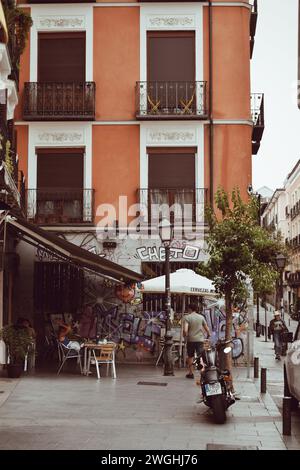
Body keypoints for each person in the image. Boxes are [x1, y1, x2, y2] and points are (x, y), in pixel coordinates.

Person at [183, 303, 211, 379]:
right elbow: (207, 328)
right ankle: (202, 372)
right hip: (200, 340)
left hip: (190, 340)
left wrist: (185, 335)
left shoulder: (187, 317)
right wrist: (208, 335)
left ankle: (191, 373)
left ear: (190, 309)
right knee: (200, 356)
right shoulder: (201, 317)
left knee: (190, 356)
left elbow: (185, 330)